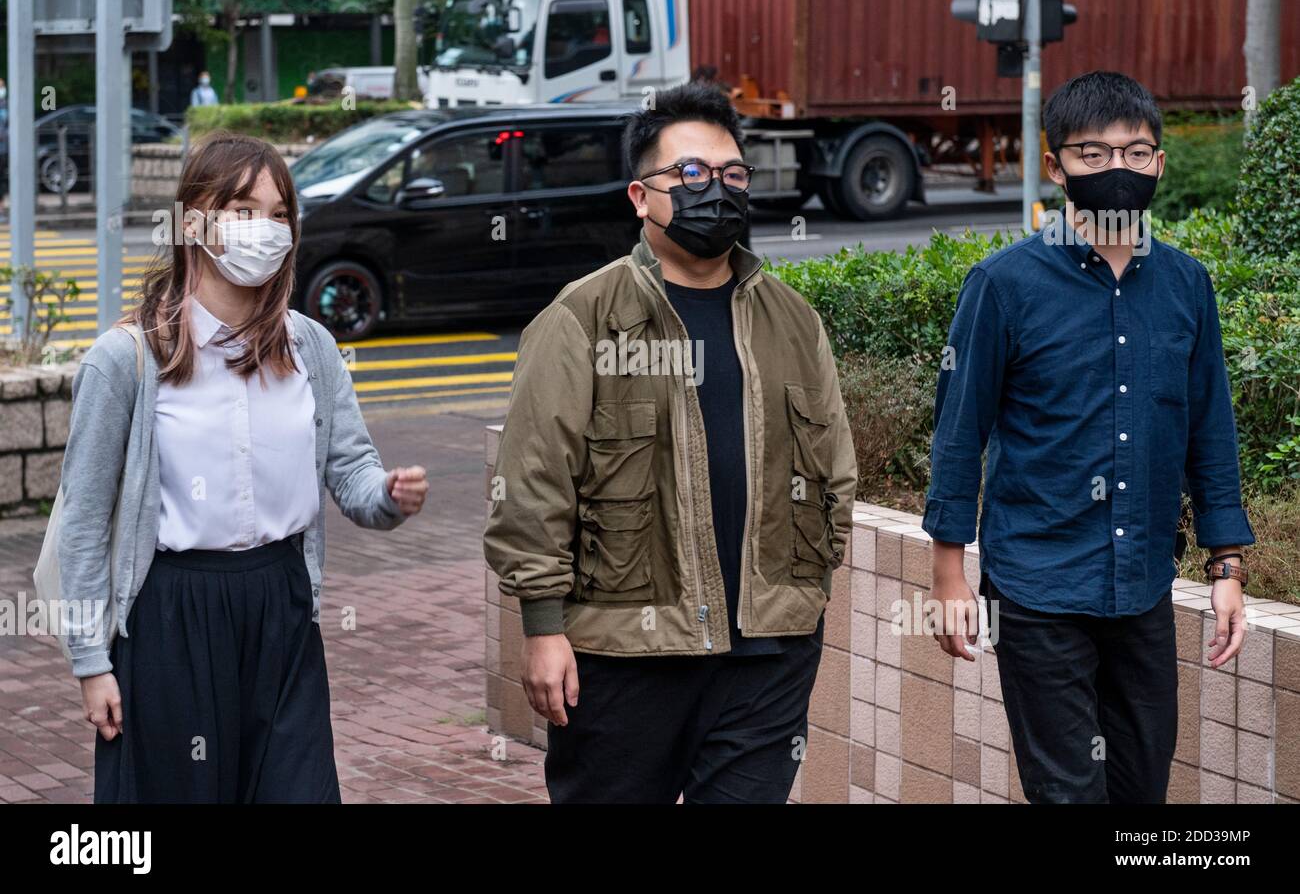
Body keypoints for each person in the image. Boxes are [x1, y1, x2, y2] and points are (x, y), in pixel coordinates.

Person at [483, 82, 857, 803]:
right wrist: (543, 628)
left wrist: (808, 592)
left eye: (731, 174)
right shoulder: (582, 319)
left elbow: (835, 471)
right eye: (689, 175)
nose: (714, 190)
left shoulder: (792, 319)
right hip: (624, 654)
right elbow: (533, 484)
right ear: (639, 195)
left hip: (767, 655)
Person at [59, 130, 429, 802]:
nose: (266, 228)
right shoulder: (126, 361)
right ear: (193, 222)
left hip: (282, 607)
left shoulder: (311, 346)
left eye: (279, 212)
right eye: (242, 209)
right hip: (172, 615)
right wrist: (91, 662)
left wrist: (389, 494)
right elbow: (81, 520)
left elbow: (352, 473)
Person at [923, 70, 1253, 803]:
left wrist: (1226, 567)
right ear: (1055, 166)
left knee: (1142, 791)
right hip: (1038, 587)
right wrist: (949, 576)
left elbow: (1210, 430)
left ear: (1160, 163)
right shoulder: (1004, 284)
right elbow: (958, 432)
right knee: (1069, 794)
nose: (1118, 170)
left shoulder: (1186, 285)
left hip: (1142, 589)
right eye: (1094, 154)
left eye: (1136, 154)